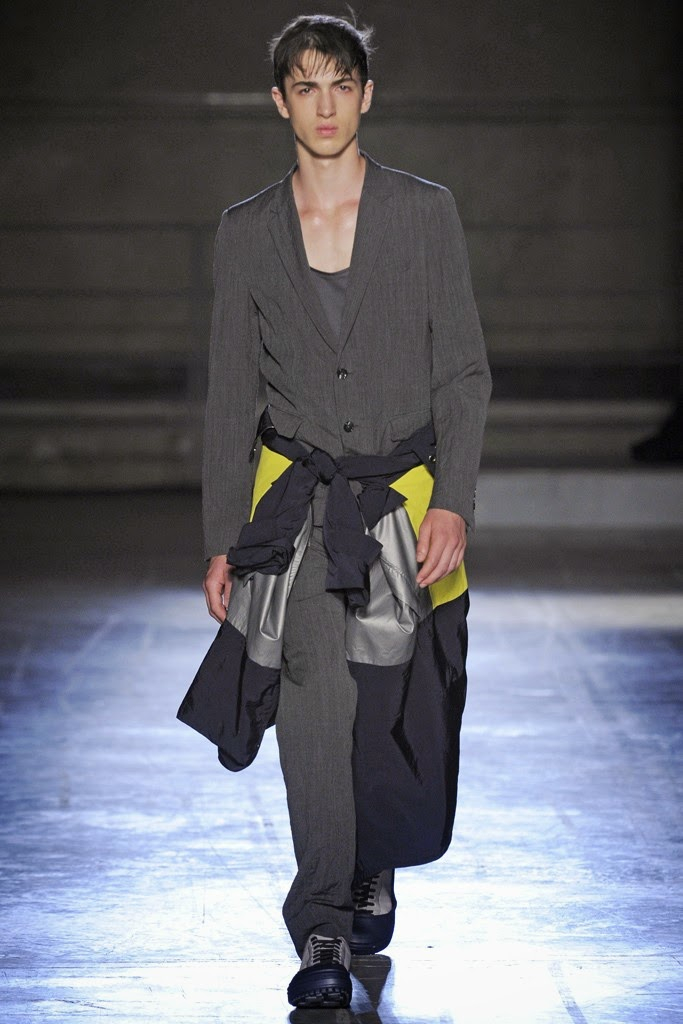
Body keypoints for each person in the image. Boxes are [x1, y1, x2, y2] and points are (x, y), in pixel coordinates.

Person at [179, 12, 491, 1010]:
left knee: (392, 707)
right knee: (311, 705)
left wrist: (454, 501)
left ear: (366, 95)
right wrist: (222, 539)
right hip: (300, 510)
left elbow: (462, 371)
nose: (323, 105)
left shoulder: (423, 212)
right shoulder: (246, 231)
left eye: (340, 85)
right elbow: (231, 395)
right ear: (280, 101)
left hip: (402, 502)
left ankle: (371, 867)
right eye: (304, 87)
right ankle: (320, 923)